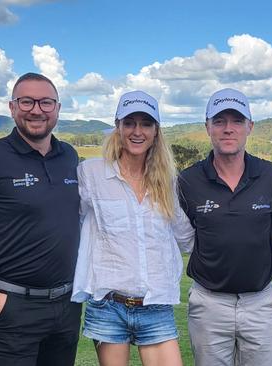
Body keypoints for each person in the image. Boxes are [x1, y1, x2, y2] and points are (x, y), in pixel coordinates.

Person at [0, 72, 82, 365]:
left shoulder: (69, 156)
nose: (36, 110)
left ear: (57, 108)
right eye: (27, 101)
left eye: (46, 102)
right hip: (13, 306)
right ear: (12, 107)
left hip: (67, 306)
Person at [71, 90, 194, 366]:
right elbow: (68, 224)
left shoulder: (167, 182)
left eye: (146, 124)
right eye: (129, 123)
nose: (137, 131)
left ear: (156, 132)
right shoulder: (91, 174)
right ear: (118, 127)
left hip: (156, 303)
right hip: (108, 305)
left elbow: (187, 238)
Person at [178, 88, 272, 366]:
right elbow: (187, 235)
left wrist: (249, 246)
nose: (228, 129)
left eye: (237, 121)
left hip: (259, 303)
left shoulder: (269, 174)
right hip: (208, 304)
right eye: (219, 121)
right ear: (207, 127)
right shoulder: (188, 180)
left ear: (250, 127)